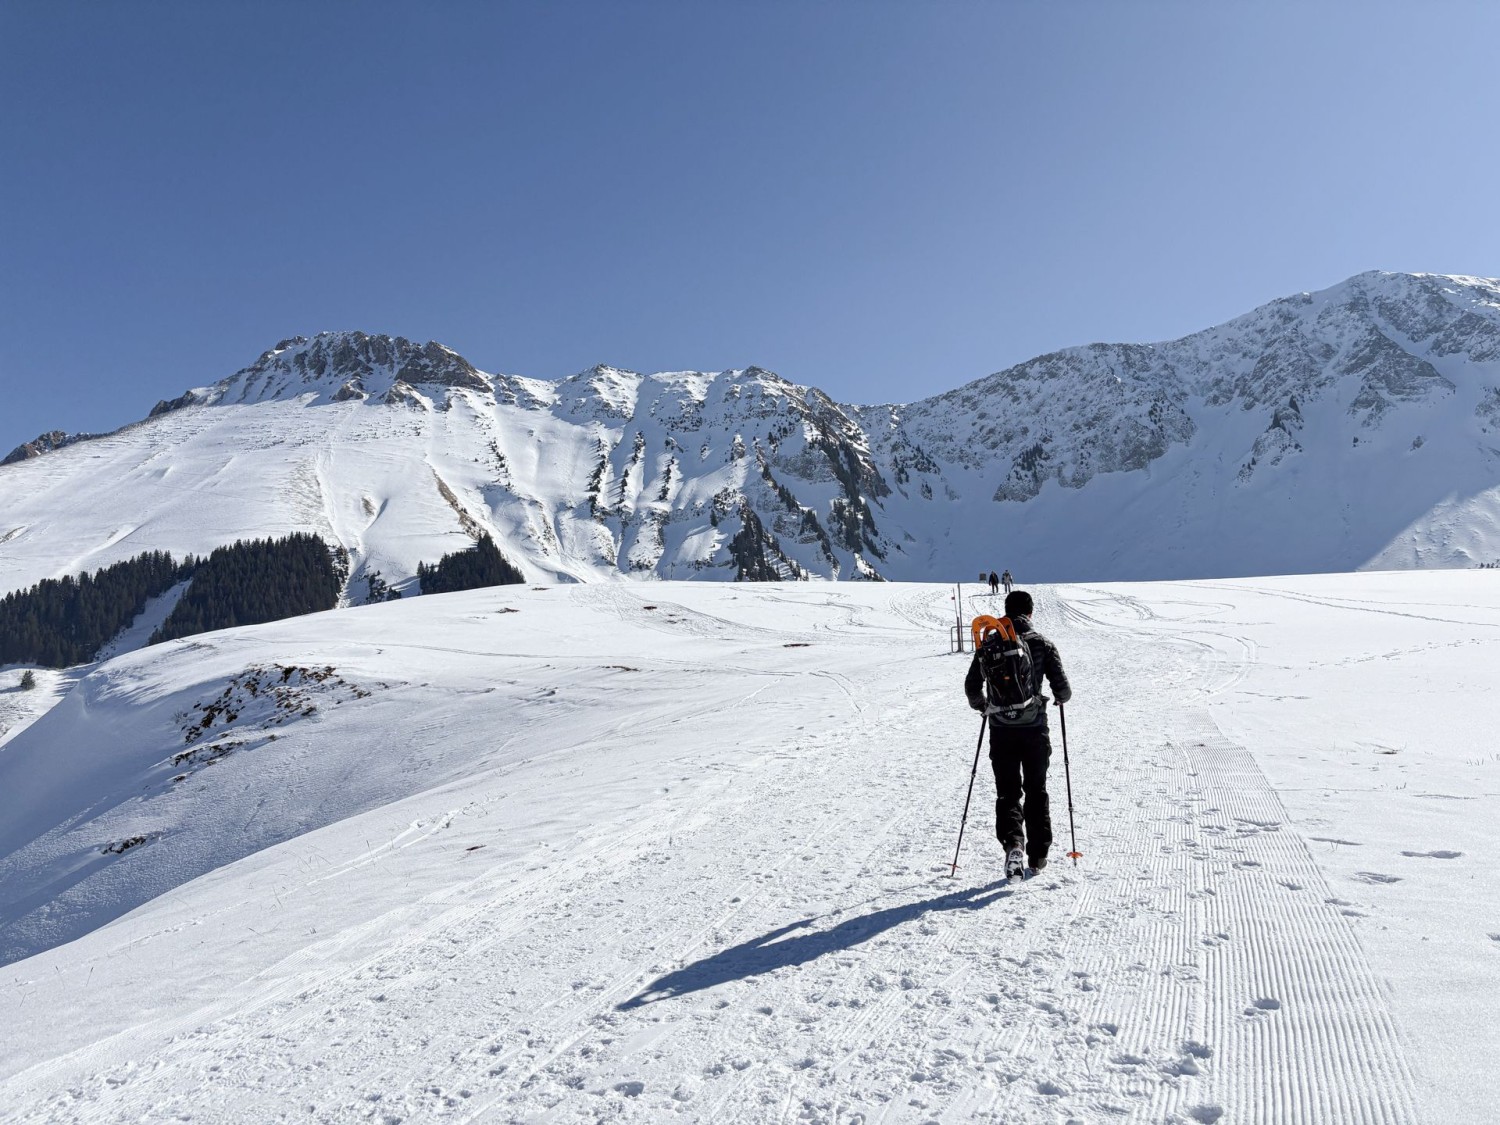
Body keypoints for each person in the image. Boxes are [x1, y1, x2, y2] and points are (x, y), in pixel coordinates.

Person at [964, 589, 1071, 875]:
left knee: (1008, 793)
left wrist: (984, 707)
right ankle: (1038, 857)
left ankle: (1013, 844)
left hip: (1001, 730)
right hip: (1035, 728)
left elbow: (971, 687)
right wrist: (1059, 697)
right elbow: (1063, 688)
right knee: (1036, 790)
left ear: (1006, 611)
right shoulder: (1042, 644)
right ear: (1031, 613)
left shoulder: (991, 643)